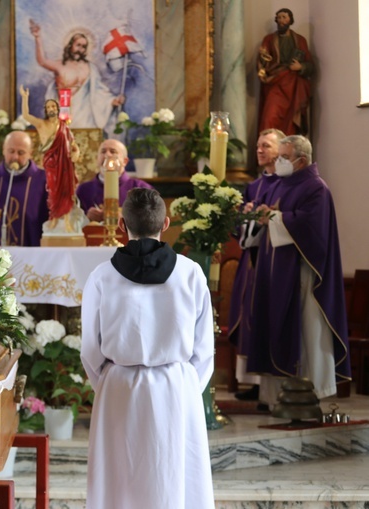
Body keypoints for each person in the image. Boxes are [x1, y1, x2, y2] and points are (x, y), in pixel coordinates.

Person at [81, 187, 214, 508]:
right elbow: (204, 348)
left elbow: (90, 349)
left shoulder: (101, 276)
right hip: (176, 387)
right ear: (166, 223)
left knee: (119, 484)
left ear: (123, 226)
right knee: (174, 481)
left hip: (119, 388)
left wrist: (110, 382)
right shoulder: (190, 273)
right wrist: (184, 387)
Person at [246, 135, 350, 407]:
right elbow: (264, 218)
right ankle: (274, 395)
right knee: (275, 326)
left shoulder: (317, 188)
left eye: (284, 157)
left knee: (307, 330)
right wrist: (258, 216)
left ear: (301, 160)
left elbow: (311, 227)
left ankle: (309, 391)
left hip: (302, 273)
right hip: (274, 273)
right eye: (278, 155)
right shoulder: (279, 184)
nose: (278, 162)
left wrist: (274, 218)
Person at [227, 128, 284, 404]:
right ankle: (250, 380)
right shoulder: (253, 185)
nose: (260, 150)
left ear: (281, 149)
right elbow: (239, 224)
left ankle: (267, 384)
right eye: (258, 146)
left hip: (271, 260)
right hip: (250, 260)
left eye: (266, 146)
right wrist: (244, 216)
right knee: (248, 316)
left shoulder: (287, 184)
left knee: (263, 315)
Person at [30, 20, 122, 131]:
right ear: (70, 45)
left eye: (84, 46)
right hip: (64, 110)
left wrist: (112, 101)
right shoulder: (60, 66)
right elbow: (42, 61)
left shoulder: (90, 68)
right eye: (78, 45)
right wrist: (38, 38)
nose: (81, 49)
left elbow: (98, 91)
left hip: (86, 116)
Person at [19, 84, 80, 232]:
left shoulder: (64, 127)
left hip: (65, 163)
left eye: (53, 106)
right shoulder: (41, 124)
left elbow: (73, 145)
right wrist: (25, 98)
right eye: (49, 107)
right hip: (51, 162)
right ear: (46, 111)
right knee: (52, 191)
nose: (51, 109)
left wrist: (76, 152)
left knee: (66, 191)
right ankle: (54, 218)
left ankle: (66, 220)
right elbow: (26, 116)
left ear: (57, 109)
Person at [257, 8, 313, 136]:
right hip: (275, 84)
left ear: (290, 20)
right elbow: (262, 62)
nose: (281, 20)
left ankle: (289, 153)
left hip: (294, 85)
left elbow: (310, 66)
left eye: (284, 17)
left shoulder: (300, 40)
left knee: (292, 121)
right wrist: (263, 63)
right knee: (269, 117)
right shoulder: (269, 39)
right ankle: (269, 151)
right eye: (279, 17)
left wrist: (301, 67)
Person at [75, 138, 153, 222]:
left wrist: (126, 220)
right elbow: (72, 224)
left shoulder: (142, 189)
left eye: (113, 151)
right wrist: (86, 218)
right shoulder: (83, 190)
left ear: (125, 161)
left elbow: (154, 222)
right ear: (97, 159)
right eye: (103, 151)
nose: (107, 155)